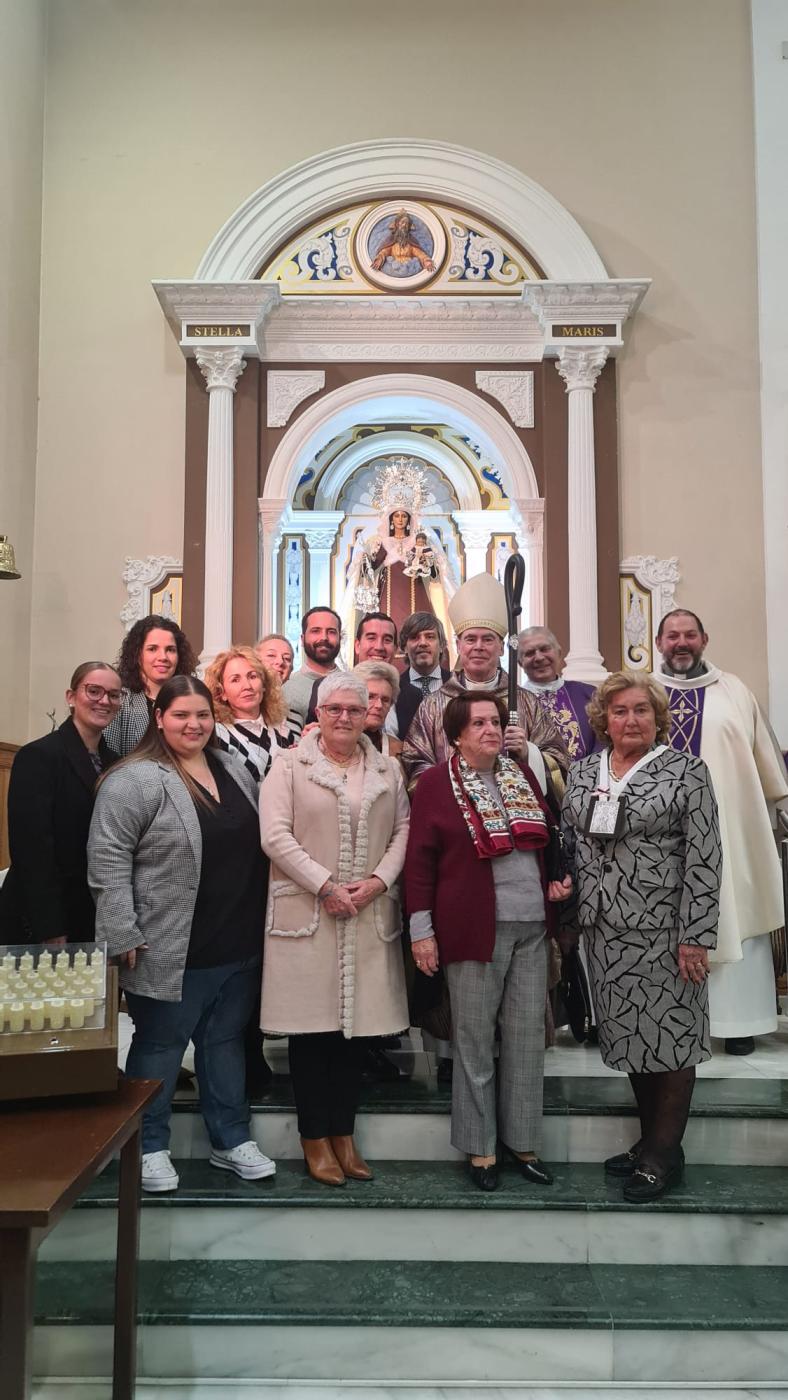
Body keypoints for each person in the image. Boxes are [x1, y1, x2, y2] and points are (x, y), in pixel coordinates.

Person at [88, 676, 274, 1193]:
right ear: (159, 719)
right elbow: (107, 859)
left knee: (223, 1044)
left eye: (203, 715)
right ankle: (147, 1145)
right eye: (181, 716)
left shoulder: (232, 766)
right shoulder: (135, 779)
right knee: (159, 1048)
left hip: (236, 941)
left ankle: (230, 1139)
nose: (194, 725)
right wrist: (121, 929)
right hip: (168, 942)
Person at [561, 672, 722, 1202]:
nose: (632, 720)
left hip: (666, 930)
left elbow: (705, 858)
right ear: (604, 719)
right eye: (621, 711)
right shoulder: (585, 772)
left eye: (642, 711)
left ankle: (661, 1155)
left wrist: (696, 933)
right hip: (604, 928)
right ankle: (652, 1139)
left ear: (659, 719)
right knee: (631, 1036)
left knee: (673, 1037)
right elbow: (573, 843)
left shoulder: (687, 772)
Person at [405, 693, 571, 1192]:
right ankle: (480, 1147)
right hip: (473, 930)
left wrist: (555, 885)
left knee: (525, 1041)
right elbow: (419, 864)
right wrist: (421, 931)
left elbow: (548, 840)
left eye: (495, 721)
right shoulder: (436, 784)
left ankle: (521, 1142)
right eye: (478, 723)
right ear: (456, 734)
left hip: (530, 929)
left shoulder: (521, 775)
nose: (490, 730)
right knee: (474, 1043)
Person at [259, 672, 410, 1186]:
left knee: (354, 1036)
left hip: (367, 915)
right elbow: (274, 835)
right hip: (309, 914)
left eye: (353, 708)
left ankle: (344, 1136)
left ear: (370, 713)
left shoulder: (387, 768)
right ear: (317, 713)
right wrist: (325, 885)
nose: (343, 717)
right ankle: (314, 1139)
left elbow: (403, 830)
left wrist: (378, 881)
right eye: (333, 709)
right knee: (312, 1034)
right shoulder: (288, 765)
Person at [654, 608, 788, 1055]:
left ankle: (738, 1021)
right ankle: (668, 1025)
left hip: (729, 828)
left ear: (704, 639)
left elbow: (768, 769)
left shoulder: (735, 691)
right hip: (660, 836)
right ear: (659, 644)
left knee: (734, 910)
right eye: (672, 636)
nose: (681, 643)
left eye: (689, 635)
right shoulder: (643, 693)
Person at [402, 573, 568, 790]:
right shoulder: (433, 705)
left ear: (501, 648)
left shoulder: (526, 702)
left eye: (488, 639)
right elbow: (415, 762)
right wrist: (451, 790)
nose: (478, 646)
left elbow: (560, 763)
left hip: (516, 816)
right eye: (470, 639)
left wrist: (529, 753)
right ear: (459, 646)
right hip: (455, 814)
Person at [0, 662, 121, 944]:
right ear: (71, 697)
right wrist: (50, 928)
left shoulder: (115, 762)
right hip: (45, 918)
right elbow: (32, 850)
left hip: (91, 911)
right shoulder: (38, 756)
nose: (104, 700)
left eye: (113, 695)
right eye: (94, 691)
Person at [338, 458, 456, 653]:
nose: (400, 519)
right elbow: (367, 573)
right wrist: (372, 561)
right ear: (391, 519)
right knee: (384, 631)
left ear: (409, 519)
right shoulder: (378, 542)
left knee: (420, 629)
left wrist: (426, 563)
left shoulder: (422, 541)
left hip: (417, 595)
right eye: (397, 516)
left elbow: (436, 575)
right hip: (387, 597)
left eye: (404, 516)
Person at [104, 614, 197, 756]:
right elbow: (108, 759)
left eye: (170, 650)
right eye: (152, 649)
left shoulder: (191, 700)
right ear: (137, 654)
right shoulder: (120, 700)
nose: (163, 657)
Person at [206, 646, 300, 786]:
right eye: (235, 680)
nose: (247, 686)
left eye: (252, 676)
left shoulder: (284, 729)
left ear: (264, 685)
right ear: (222, 693)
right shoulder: (216, 735)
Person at [518, 626, 599, 764]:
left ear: (559, 653)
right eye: (530, 653)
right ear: (520, 663)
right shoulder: (514, 701)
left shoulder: (589, 695)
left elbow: (602, 742)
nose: (539, 657)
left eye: (544, 649)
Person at [395, 611, 452, 741]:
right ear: (404, 647)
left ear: (442, 645)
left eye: (430, 636)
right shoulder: (394, 690)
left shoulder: (458, 685)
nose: (422, 643)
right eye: (414, 637)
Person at [283, 606, 342, 726]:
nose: (324, 638)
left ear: (340, 638)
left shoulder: (354, 686)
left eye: (331, 632)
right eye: (316, 631)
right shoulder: (285, 690)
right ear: (302, 639)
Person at [353, 661, 403, 759]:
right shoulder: (329, 742)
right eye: (370, 697)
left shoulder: (400, 751)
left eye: (385, 700)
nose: (379, 705)